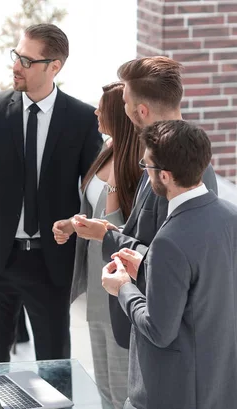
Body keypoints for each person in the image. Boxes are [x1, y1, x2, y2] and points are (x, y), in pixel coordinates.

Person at [0, 24, 102, 363]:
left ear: (54, 66)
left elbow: (94, 187)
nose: (15, 66)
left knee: (54, 366)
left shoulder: (82, 119)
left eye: (26, 60)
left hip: (51, 261)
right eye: (16, 56)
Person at [70, 56, 218, 349]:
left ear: (140, 111)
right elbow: (149, 232)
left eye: (124, 102)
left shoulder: (187, 172)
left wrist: (107, 236)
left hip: (161, 332)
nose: (122, 111)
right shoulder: (154, 159)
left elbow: (176, 259)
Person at [102, 120, 237, 409]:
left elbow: (159, 331)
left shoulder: (169, 239)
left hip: (174, 392)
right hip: (222, 387)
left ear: (164, 176)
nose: (145, 172)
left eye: (146, 166)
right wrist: (149, 267)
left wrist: (123, 288)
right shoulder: (231, 217)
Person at [52, 82, 141, 409]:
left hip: (119, 285)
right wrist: (71, 225)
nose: (95, 112)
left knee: (121, 388)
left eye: (102, 107)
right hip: (95, 279)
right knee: (102, 382)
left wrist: (117, 181)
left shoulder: (132, 164)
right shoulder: (106, 150)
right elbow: (93, 213)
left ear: (117, 115)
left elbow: (116, 227)